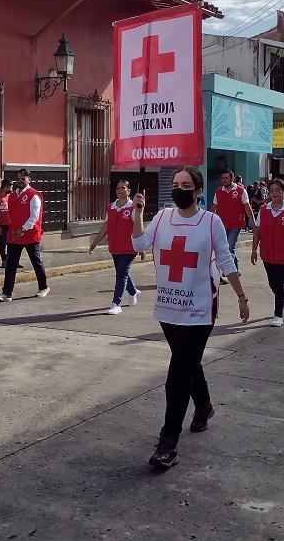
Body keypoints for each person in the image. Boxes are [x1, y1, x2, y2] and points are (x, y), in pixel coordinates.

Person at [131, 166, 250, 469]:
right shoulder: (162, 218)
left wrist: (240, 296)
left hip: (200, 309)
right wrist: (137, 212)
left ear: (198, 191)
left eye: (186, 185)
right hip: (169, 307)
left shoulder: (211, 222)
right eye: (175, 184)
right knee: (188, 361)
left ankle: (168, 442)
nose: (179, 189)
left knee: (178, 373)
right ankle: (205, 405)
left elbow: (225, 259)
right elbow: (139, 245)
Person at [251, 178, 284, 326]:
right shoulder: (263, 210)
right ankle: (283, 299)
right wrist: (254, 250)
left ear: (283, 192)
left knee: (279, 282)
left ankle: (278, 315)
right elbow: (257, 232)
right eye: (271, 190)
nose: (274, 193)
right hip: (268, 254)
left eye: (277, 190)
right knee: (272, 283)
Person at [0, 168, 48, 302]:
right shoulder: (12, 195)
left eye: (23, 178)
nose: (20, 181)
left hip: (29, 234)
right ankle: (6, 293)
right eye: (17, 179)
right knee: (11, 264)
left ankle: (43, 287)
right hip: (14, 235)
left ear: (29, 179)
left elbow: (34, 216)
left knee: (36, 261)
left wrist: (23, 229)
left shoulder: (34, 195)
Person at [89, 180, 142, 314]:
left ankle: (116, 303)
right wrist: (95, 242)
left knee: (121, 273)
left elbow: (138, 228)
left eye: (123, 188)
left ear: (129, 191)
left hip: (130, 248)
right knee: (122, 272)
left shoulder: (133, 208)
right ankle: (133, 291)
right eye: (118, 188)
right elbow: (106, 226)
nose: (119, 190)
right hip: (115, 247)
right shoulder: (111, 207)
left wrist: (142, 247)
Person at [211, 169, 256, 273]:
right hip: (222, 225)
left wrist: (254, 223)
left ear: (232, 178)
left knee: (229, 248)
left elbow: (247, 208)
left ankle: (228, 273)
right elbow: (213, 207)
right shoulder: (218, 191)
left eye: (226, 178)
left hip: (236, 224)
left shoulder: (240, 190)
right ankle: (236, 270)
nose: (224, 180)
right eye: (223, 178)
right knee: (227, 248)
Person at [0, 178, 14, 269]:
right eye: (9, 188)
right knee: (3, 242)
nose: (10, 190)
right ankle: (4, 260)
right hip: (2, 223)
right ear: (5, 187)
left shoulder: (9, 196)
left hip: (10, 222)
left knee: (12, 242)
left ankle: (13, 260)